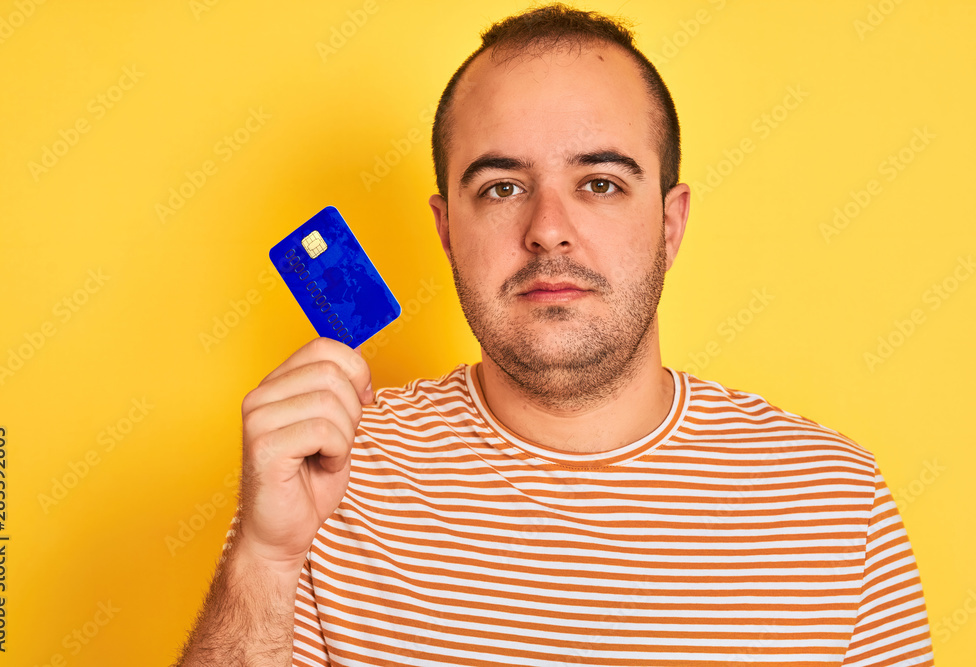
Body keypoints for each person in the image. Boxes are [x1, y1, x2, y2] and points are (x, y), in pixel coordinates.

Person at [176, 4, 935, 666]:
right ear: (446, 231)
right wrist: (266, 560)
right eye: (501, 186)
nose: (547, 231)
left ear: (669, 223)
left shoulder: (834, 499)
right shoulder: (327, 479)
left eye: (600, 182)